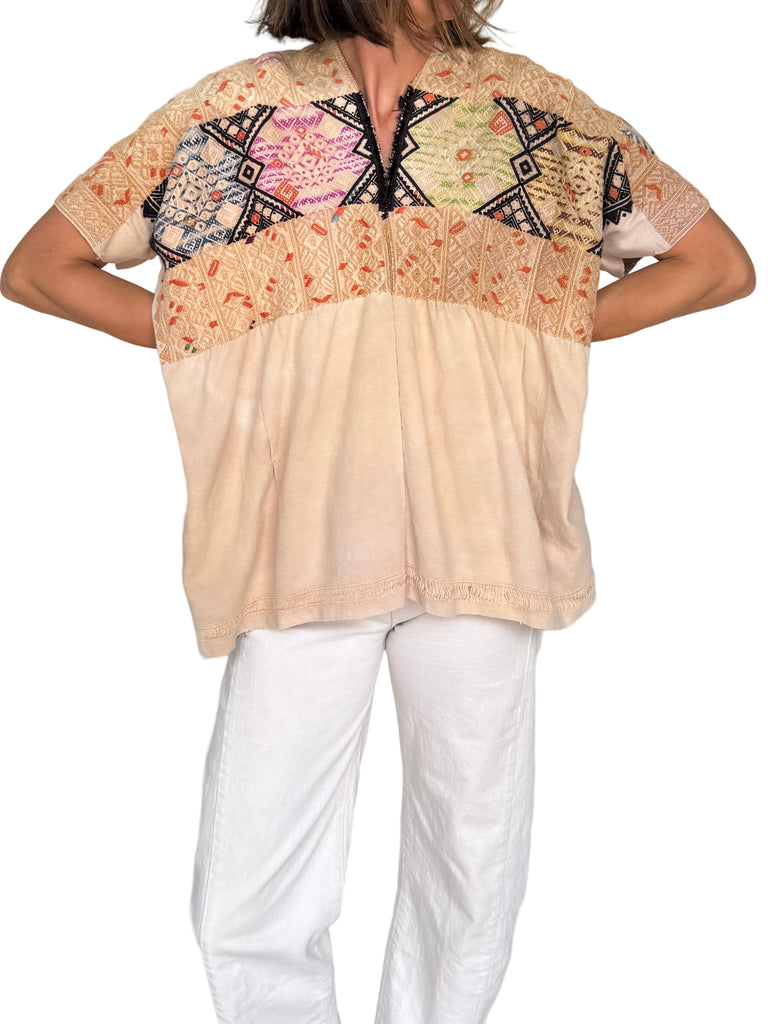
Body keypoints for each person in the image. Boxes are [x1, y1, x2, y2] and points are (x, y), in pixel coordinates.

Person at [0, 1, 756, 1022]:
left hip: (485, 527)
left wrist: (544, 321)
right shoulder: (228, 115)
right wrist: (209, 326)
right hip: (301, 534)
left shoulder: (546, 118)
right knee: (255, 869)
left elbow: (718, 266)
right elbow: (40, 267)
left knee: (472, 854)